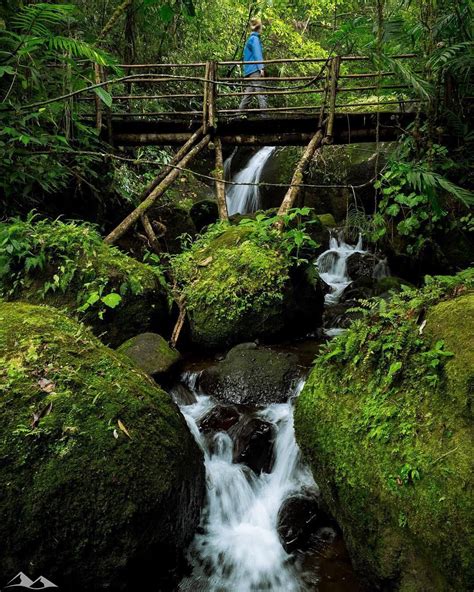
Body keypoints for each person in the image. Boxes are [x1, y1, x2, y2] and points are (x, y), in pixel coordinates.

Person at [239, 18, 268, 111]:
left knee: (248, 95)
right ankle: (265, 117)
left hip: (250, 70)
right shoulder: (254, 39)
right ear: (259, 28)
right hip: (255, 70)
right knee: (262, 94)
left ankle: (239, 114)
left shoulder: (251, 39)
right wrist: (261, 68)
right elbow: (257, 54)